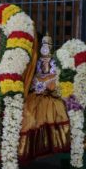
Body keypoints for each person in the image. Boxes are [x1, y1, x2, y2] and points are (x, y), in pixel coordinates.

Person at [18, 33, 70, 163]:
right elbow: (34, 76)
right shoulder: (37, 61)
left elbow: (54, 78)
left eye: (48, 44)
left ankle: (51, 145)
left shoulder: (54, 62)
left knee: (53, 111)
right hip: (35, 95)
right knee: (28, 115)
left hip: (49, 96)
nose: (45, 47)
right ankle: (31, 148)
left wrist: (49, 82)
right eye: (44, 44)